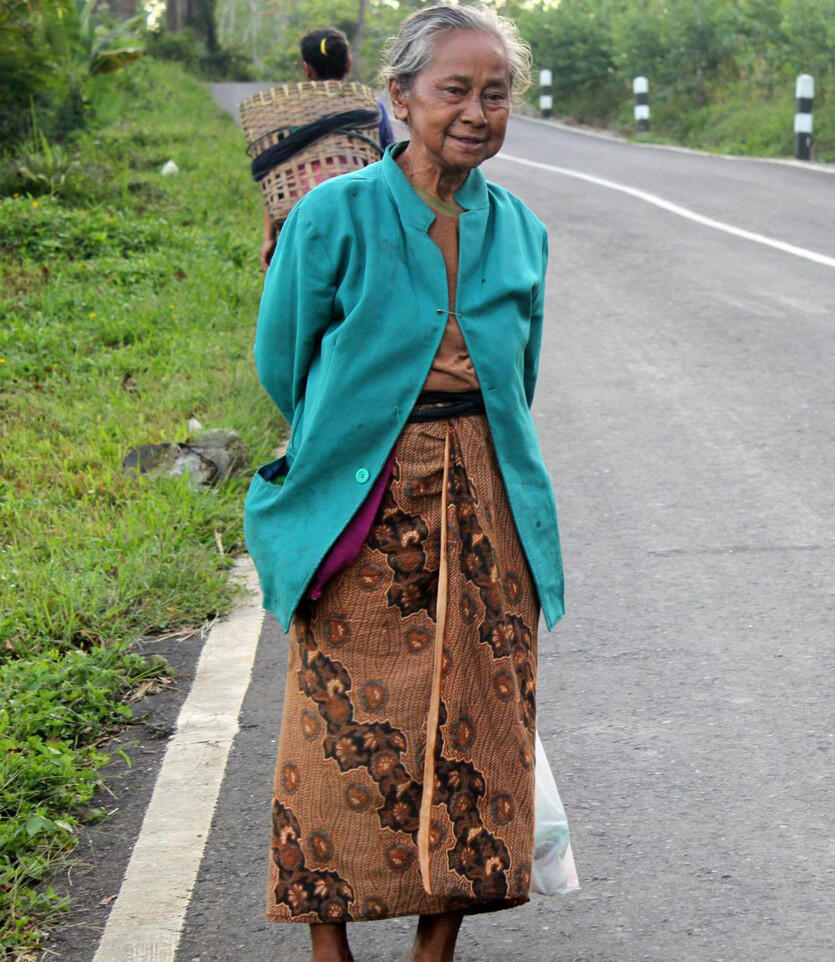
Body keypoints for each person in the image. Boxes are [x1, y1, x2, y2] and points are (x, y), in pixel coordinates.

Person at [243, 6, 563, 961]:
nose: (476, 111)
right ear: (400, 97)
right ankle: (327, 941)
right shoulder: (332, 216)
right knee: (341, 711)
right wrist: (361, 428)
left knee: (478, 713)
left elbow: (521, 378)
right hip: (365, 492)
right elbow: (284, 359)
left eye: (494, 93)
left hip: (487, 497)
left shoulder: (523, 232)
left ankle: (437, 944)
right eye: (454, 90)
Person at [258, 27, 397, 270]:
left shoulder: (286, 113)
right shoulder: (370, 109)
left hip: (303, 219)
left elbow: (274, 177)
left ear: (307, 68)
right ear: (349, 64)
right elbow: (391, 162)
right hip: (358, 218)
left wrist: (270, 237)